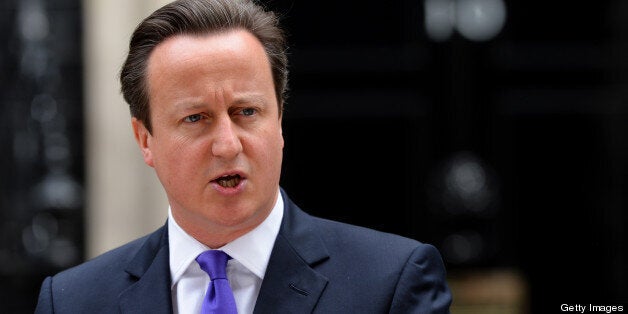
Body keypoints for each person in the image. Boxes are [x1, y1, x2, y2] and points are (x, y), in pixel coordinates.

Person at [35, 0, 452, 313]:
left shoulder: (391, 282)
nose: (228, 145)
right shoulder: (73, 300)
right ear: (145, 139)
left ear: (280, 121)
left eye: (246, 112)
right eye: (196, 118)